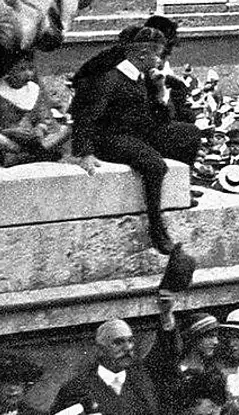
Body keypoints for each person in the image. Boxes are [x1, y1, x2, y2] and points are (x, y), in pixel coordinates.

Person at [68, 26, 204, 253]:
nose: (160, 61)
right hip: (111, 139)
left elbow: (163, 118)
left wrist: (160, 92)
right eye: (157, 55)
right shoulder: (110, 78)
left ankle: (181, 188)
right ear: (142, 55)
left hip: (138, 134)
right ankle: (156, 228)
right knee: (155, 165)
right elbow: (85, 117)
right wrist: (86, 152)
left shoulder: (143, 77)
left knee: (189, 134)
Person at [0, 50, 70, 166]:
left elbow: (45, 118)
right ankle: (29, 154)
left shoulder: (34, 90)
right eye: (22, 70)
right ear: (10, 71)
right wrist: (11, 132)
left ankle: (24, 156)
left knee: (64, 130)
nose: (29, 74)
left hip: (32, 138)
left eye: (31, 69)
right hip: (8, 138)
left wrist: (40, 129)